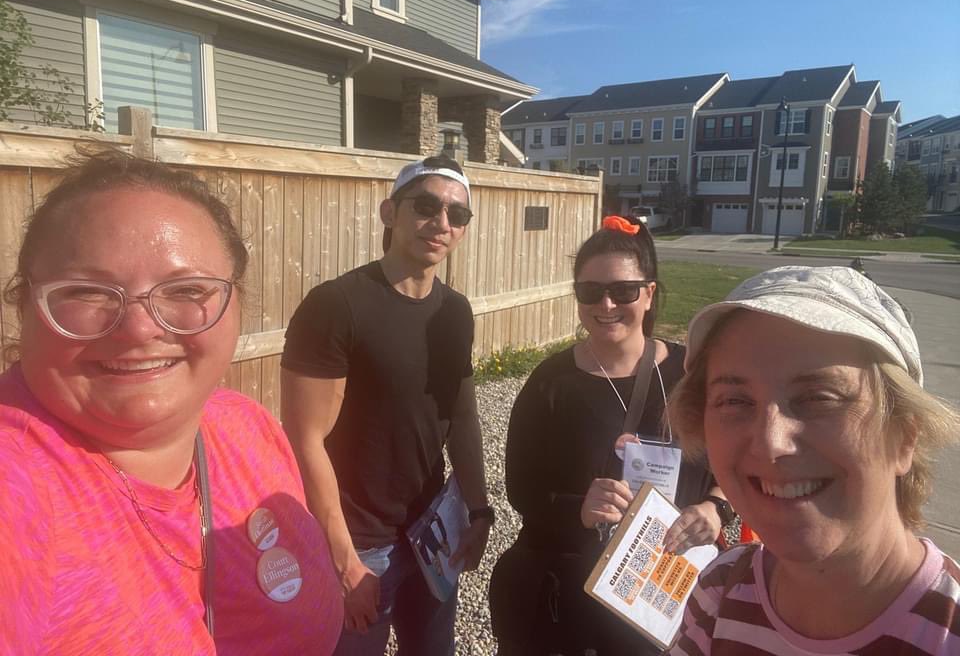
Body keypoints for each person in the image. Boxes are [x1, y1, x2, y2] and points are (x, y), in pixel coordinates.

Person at [0, 149, 343, 654]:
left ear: (236, 302)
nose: (139, 329)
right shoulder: (18, 482)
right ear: (26, 304)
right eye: (88, 292)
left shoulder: (244, 424)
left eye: (185, 289)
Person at [666, 265, 960, 655]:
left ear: (904, 436)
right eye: (735, 401)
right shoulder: (719, 594)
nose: (771, 443)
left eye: (819, 397)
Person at [281, 155, 493, 656]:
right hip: (360, 542)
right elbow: (304, 438)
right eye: (426, 206)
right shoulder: (337, 305)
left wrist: (479, 510)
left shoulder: (455, 312)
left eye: (457, 214)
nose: (441, 223)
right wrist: (343, 560)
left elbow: (460, 415)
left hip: (432, 533)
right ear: (388, 212)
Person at [490, 216, 731, 656]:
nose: (606, 304)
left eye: (623, 291)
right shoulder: (552, 382)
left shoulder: (691, 375)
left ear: (649, 293)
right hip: (573, 595)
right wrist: (577, 509)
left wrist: (716, 508)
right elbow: (521, 488)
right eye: (590, 291)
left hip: (666, 587)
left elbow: (733, 456)